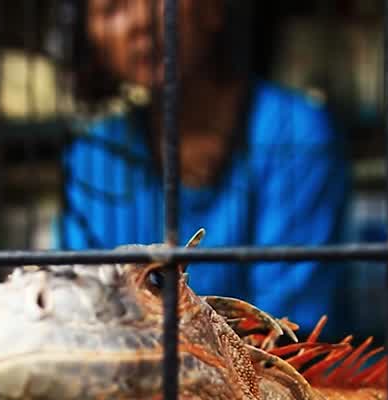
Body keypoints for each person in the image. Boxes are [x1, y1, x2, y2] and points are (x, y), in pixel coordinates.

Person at [55, 0, 352, 336]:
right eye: (112, 8)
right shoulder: (95, 155)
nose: (141, 22)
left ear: (212, 8)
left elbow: (286, 326)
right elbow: (83, 307)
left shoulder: (293, 132)